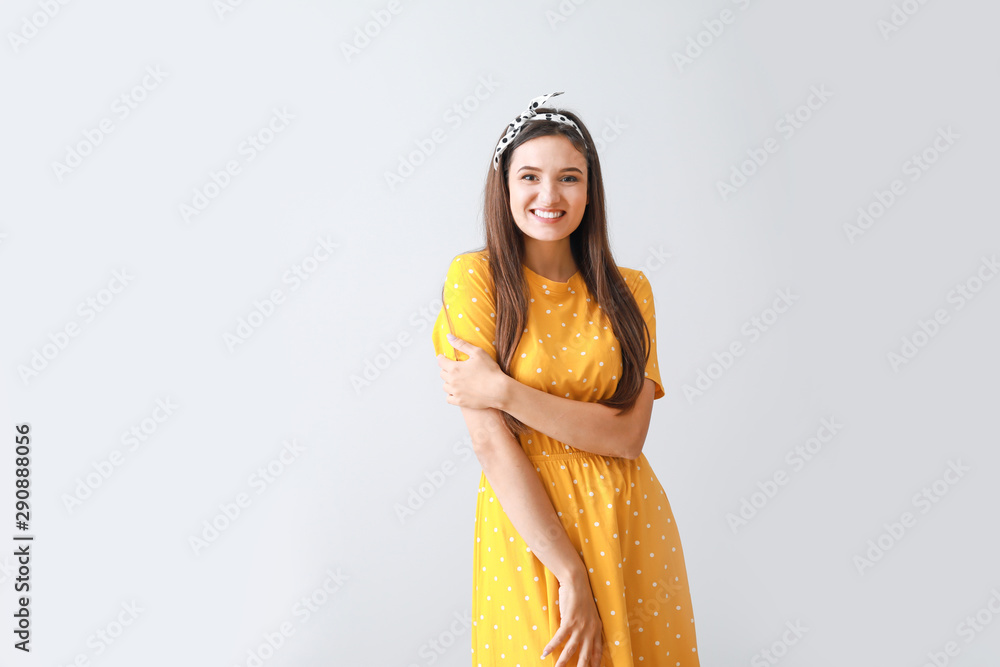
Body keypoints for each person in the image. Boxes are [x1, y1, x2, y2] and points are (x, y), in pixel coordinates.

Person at [432, 92, 700, 667]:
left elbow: (628, 438)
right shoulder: (474, 279)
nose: (549, 196)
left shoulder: (631, 291)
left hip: (629, 520)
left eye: (569, 178)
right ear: (503, 187)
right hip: (532, 534)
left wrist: (504, 391)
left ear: (590, 189)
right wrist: (570, 571)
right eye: (529, 176)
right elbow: (489, 442)